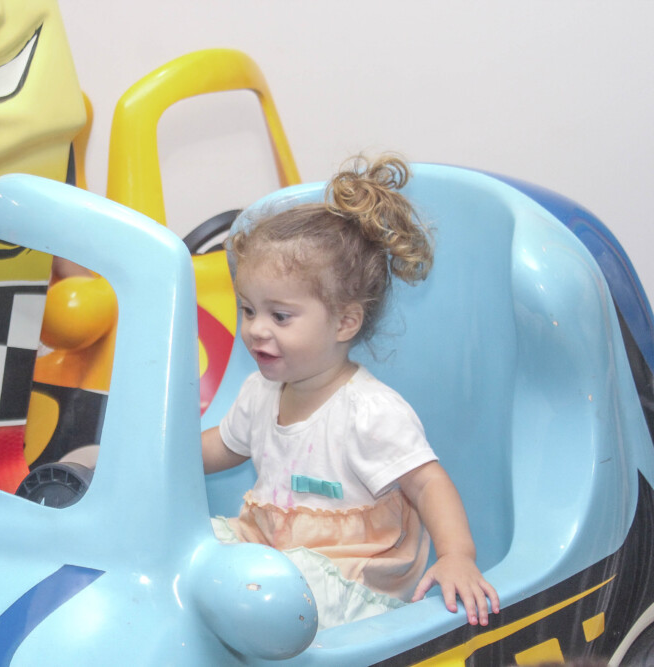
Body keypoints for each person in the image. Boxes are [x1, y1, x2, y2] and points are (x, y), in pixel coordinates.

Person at [202, 154, 499, 629]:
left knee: (275, 594)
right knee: (195, 547)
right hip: (271, 553)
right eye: (248, 309)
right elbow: (221, 446)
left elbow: (428, 484)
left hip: (350, 574)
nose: (256, 329)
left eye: (280, 316)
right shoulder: (260, 391)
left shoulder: (369, 412)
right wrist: (160, 456)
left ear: (345, 322)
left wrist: (457, 556)